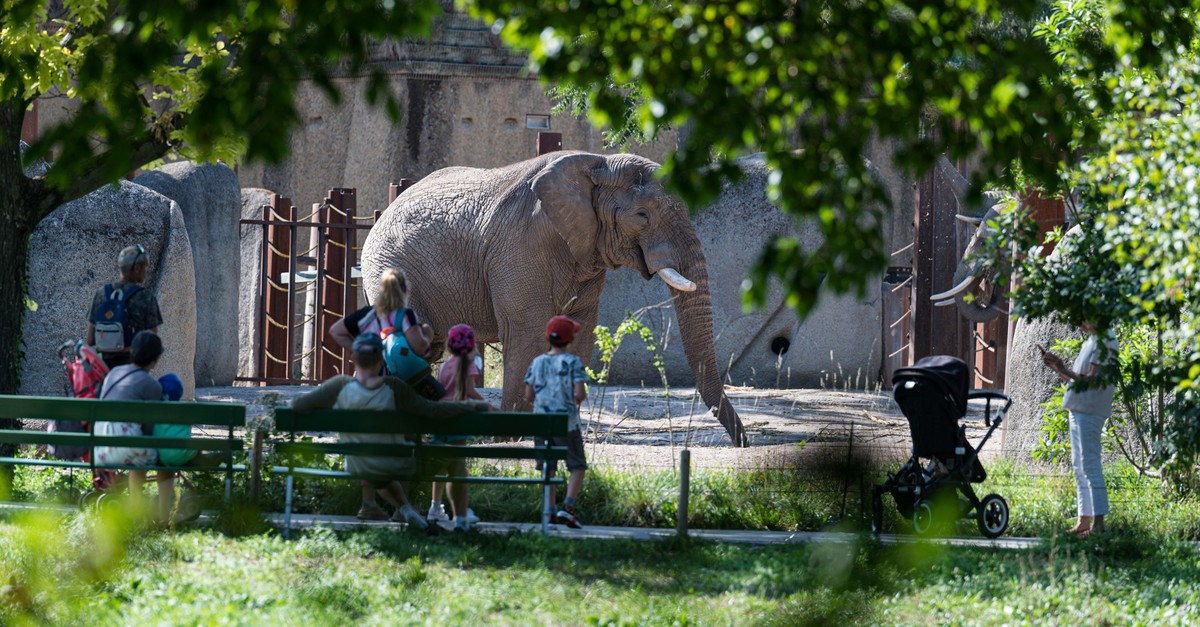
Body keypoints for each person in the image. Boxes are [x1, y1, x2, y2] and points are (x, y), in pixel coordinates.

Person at [291, 333, 490, 531]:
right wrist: (471, 406)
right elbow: (433, 411)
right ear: (381, 359)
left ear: (353, 358)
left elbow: (297, 405)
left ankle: (407, 510)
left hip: (357, 464)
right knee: (454, 460)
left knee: (376, 462)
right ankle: (462, 523)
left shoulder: (339, 385)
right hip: (396, 465)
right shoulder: (393, 386)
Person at [328, 267, 433, 520]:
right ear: (404, 291)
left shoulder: (366, 316)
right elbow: (419, 348)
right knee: (405, 443)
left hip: (366, 387)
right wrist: (427, 334)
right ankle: (401, 508)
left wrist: (358, 350)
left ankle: (369, 504)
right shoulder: (405, 316)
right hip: (396, 390)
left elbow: (335, 331)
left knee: (370, 443)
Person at [1040, 320, 1119, 538]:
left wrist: (1064, 367)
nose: (1080, 323)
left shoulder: (1106, 340)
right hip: (1078, 408)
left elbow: (1091, 382)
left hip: (1090, 410)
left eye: (1083, 317)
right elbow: (1075, 382)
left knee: (1090, 464)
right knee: (1079, 466)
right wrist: (1057, 368)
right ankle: (1083, 523)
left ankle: (1099, 525)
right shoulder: (1091, 341)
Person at [94, 331, 175, 520]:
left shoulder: (114, 373)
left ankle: (135, 510)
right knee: (164, 460)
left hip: (100, 448)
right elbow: (149, 428)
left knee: (137, 454)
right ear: (156, 358)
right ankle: (164, 515)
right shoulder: (151, 385)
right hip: (125, 448)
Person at [524, 315, 590, 529]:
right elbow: (579, 393)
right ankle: (568, 506)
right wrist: (575, 400)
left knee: (548, 467)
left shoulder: (537, 362)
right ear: (570, 340)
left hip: (541, 423)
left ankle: (549, 509)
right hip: (566, 423)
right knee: (577, 465)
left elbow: (528, 394)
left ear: (547, 339)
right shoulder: (573, 363)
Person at [427, 324, 489, 530]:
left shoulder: (444, 366)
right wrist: (488, 406)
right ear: (472, 346)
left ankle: (435, 506)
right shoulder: (468, 365)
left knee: (442, 466)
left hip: (440, 418)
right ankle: (459, 513)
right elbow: (470, 391)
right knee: (457, 467)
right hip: (458, 419)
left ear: (449, 345)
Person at [86, 244, 164, 370]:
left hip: (104, 372)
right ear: (137, 268)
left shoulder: (101, 293)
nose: (146, 271)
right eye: (145, 267)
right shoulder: (145, 296)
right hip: (133, 372)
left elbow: (90, 340)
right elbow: (151, 341)